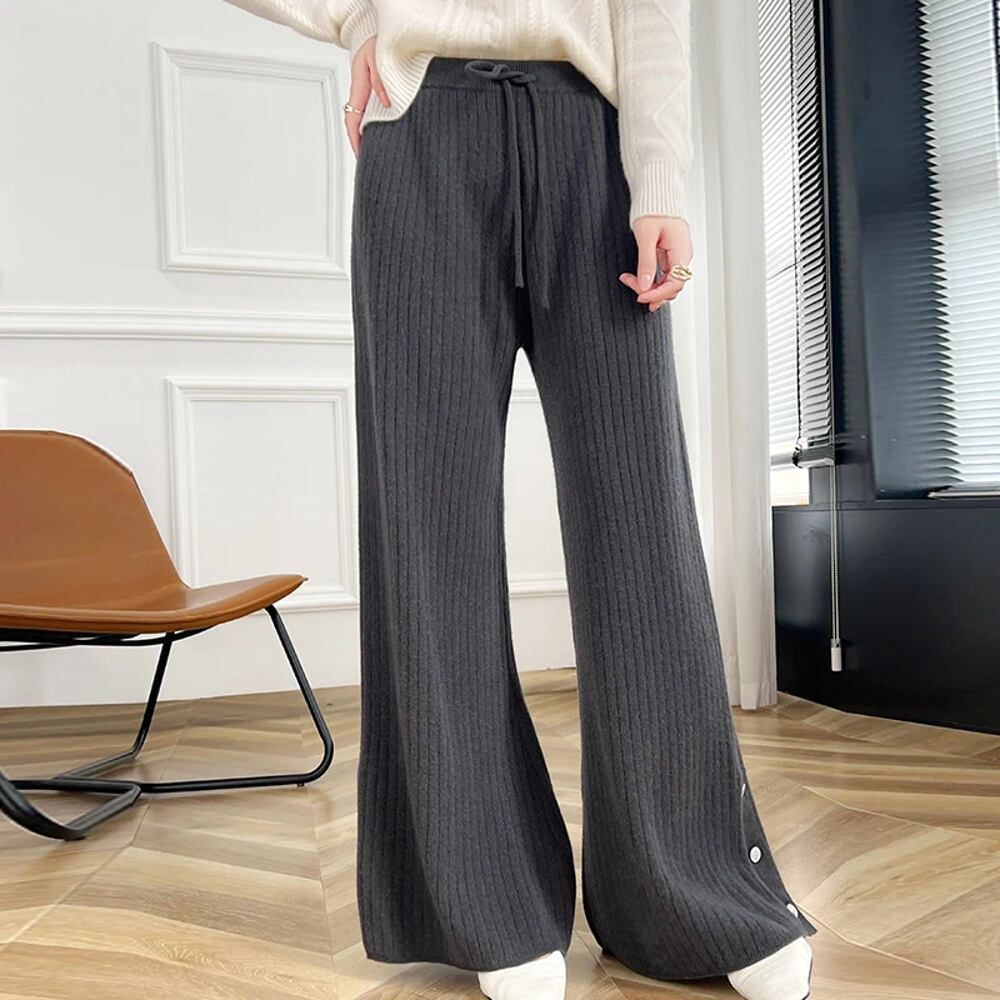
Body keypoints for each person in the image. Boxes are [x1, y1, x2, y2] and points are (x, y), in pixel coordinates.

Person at [223, 3, 817, 999]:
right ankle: (484, 897)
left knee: (643, 532)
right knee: (430, 528)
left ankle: (696, 890)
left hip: (593, 136)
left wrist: (658, 179)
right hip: (422, 140)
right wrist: (363, 17)